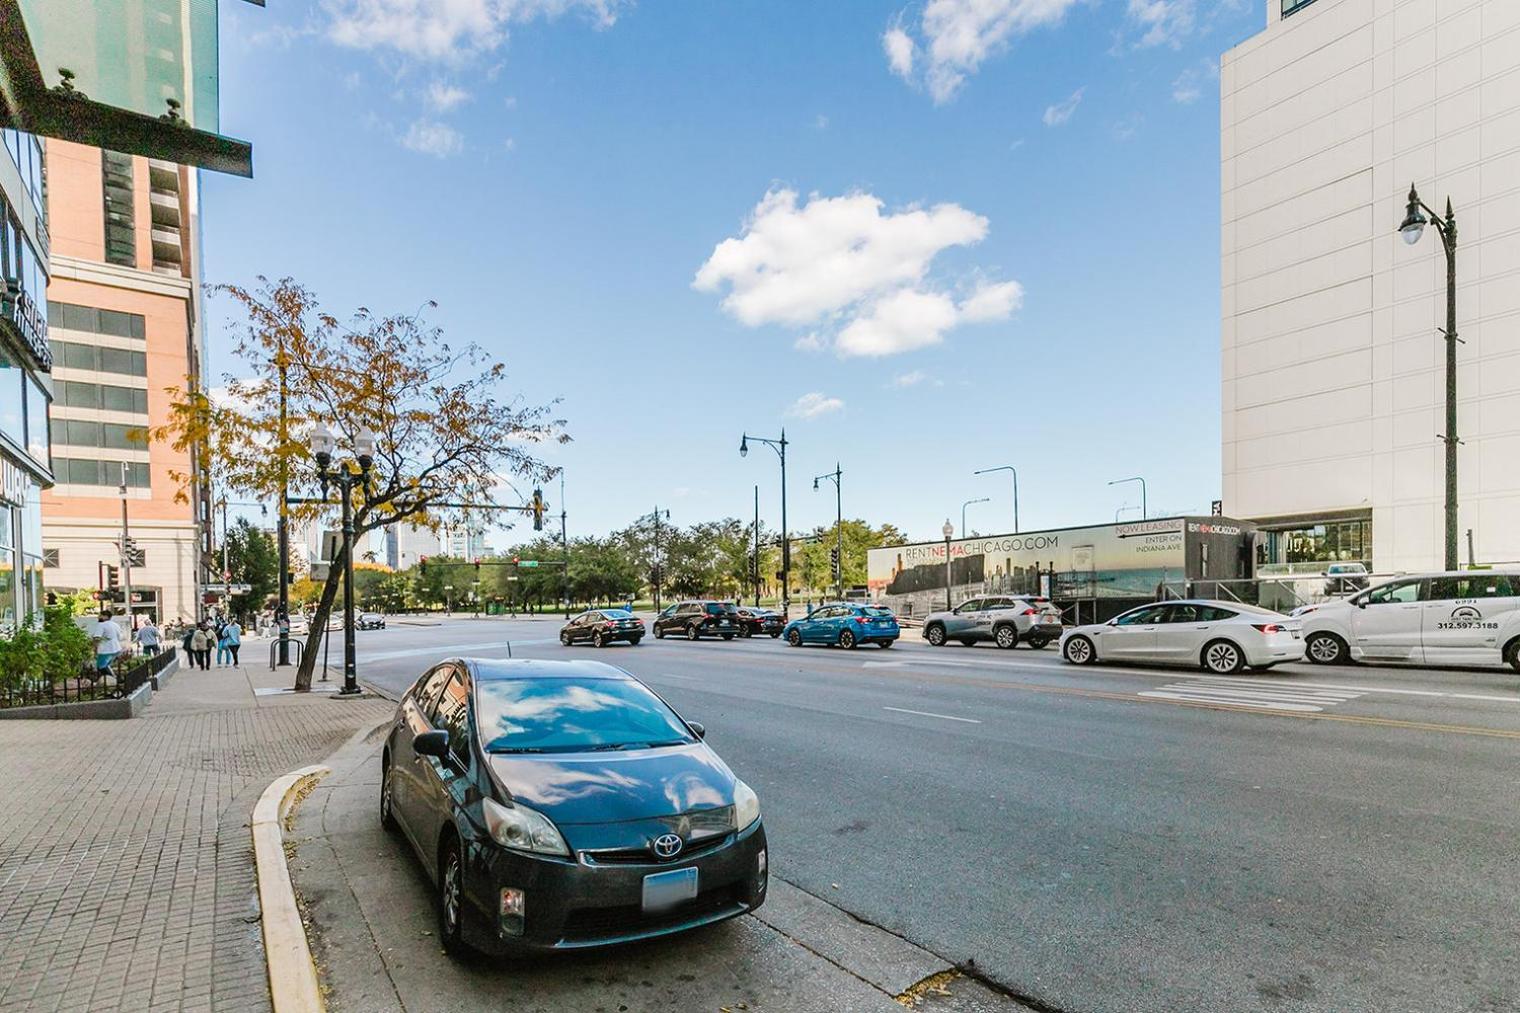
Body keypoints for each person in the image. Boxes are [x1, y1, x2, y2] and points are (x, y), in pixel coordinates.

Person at [89, 611, 122, 677]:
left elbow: (97, 638)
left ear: (105, 616)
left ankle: (113, 680)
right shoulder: (115, 625)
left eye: (100, 615)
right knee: (106, 665)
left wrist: (94, 649)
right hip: (116, 648)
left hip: (105, 650)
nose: (98, 617)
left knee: (101, 667)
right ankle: (114, 679)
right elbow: (119, 637)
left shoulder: (101, 625)